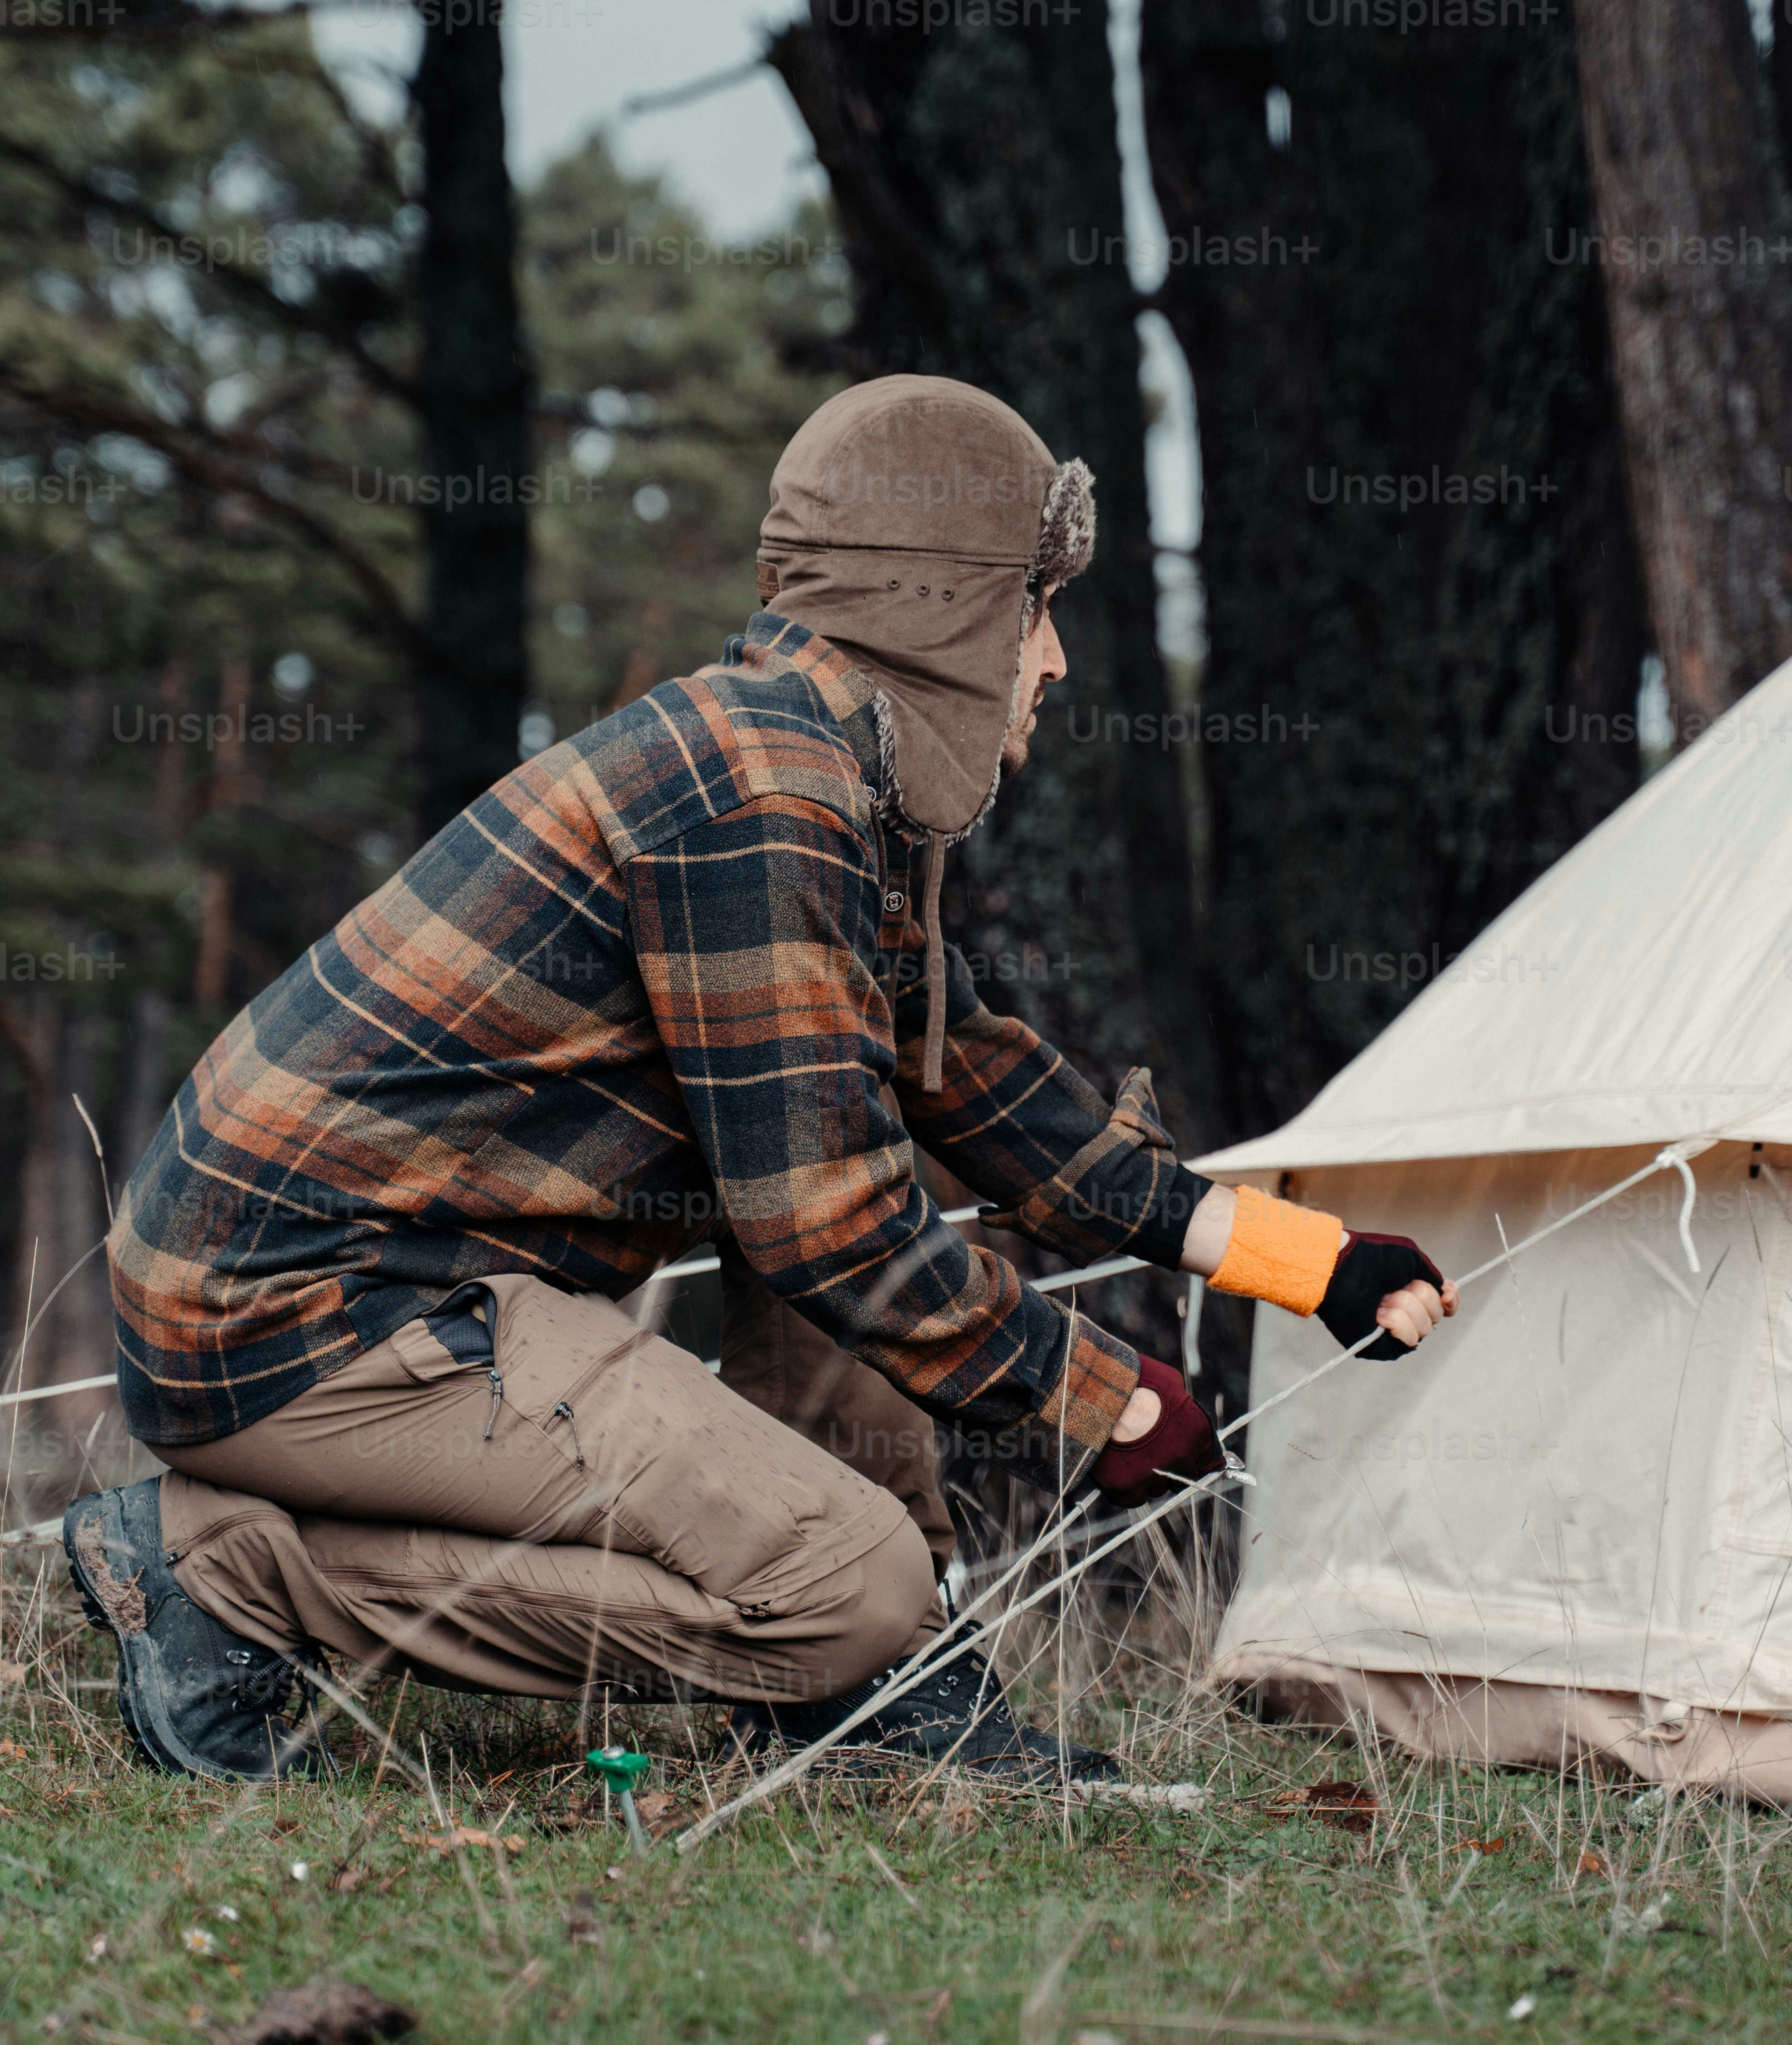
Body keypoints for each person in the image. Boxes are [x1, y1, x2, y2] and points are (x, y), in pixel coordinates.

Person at [66, 375, 1455, 1785]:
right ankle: (221, 1574)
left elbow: (965, 1080)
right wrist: (1100, 1396)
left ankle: (884, 1704)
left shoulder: (811, 763)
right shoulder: (762, 798)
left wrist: (1308, 1261)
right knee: (848, 1591)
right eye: (1035, 610)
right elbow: (830, 1224)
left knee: (836, 1143)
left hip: (362, 1294)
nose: (1056, 662)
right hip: (305, 1319)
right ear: (947, 606)